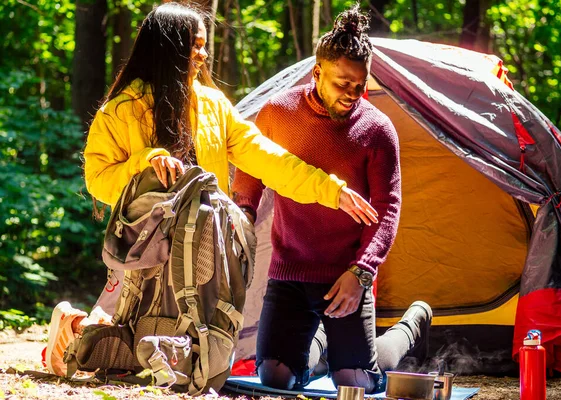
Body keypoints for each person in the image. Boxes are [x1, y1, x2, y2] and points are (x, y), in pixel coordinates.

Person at [44, 2, 379, 377]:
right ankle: (71, 325)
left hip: (200, 247)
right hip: (143, 248)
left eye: (204, 44)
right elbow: (98, 179)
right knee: (117, 342)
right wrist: (145, 162)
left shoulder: (214, 106)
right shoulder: (122, 111)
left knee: (191, 338)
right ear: (169, 47)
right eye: (196, 45)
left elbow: (269, 158)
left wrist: (332, 190)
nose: (204, 54)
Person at [231, 6, 431, 393]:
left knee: (355, 381)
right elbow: (249, 183)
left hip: (346, 275)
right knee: (274, 376)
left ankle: (413, 324)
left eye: (361, 84)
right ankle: (323, 339)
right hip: (289, 271)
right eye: (343, 83)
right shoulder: (276, 113)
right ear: (317, 72)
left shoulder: (377, 129)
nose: (353, 94)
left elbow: (388, 209)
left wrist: (362, 272)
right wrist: (237, 226)